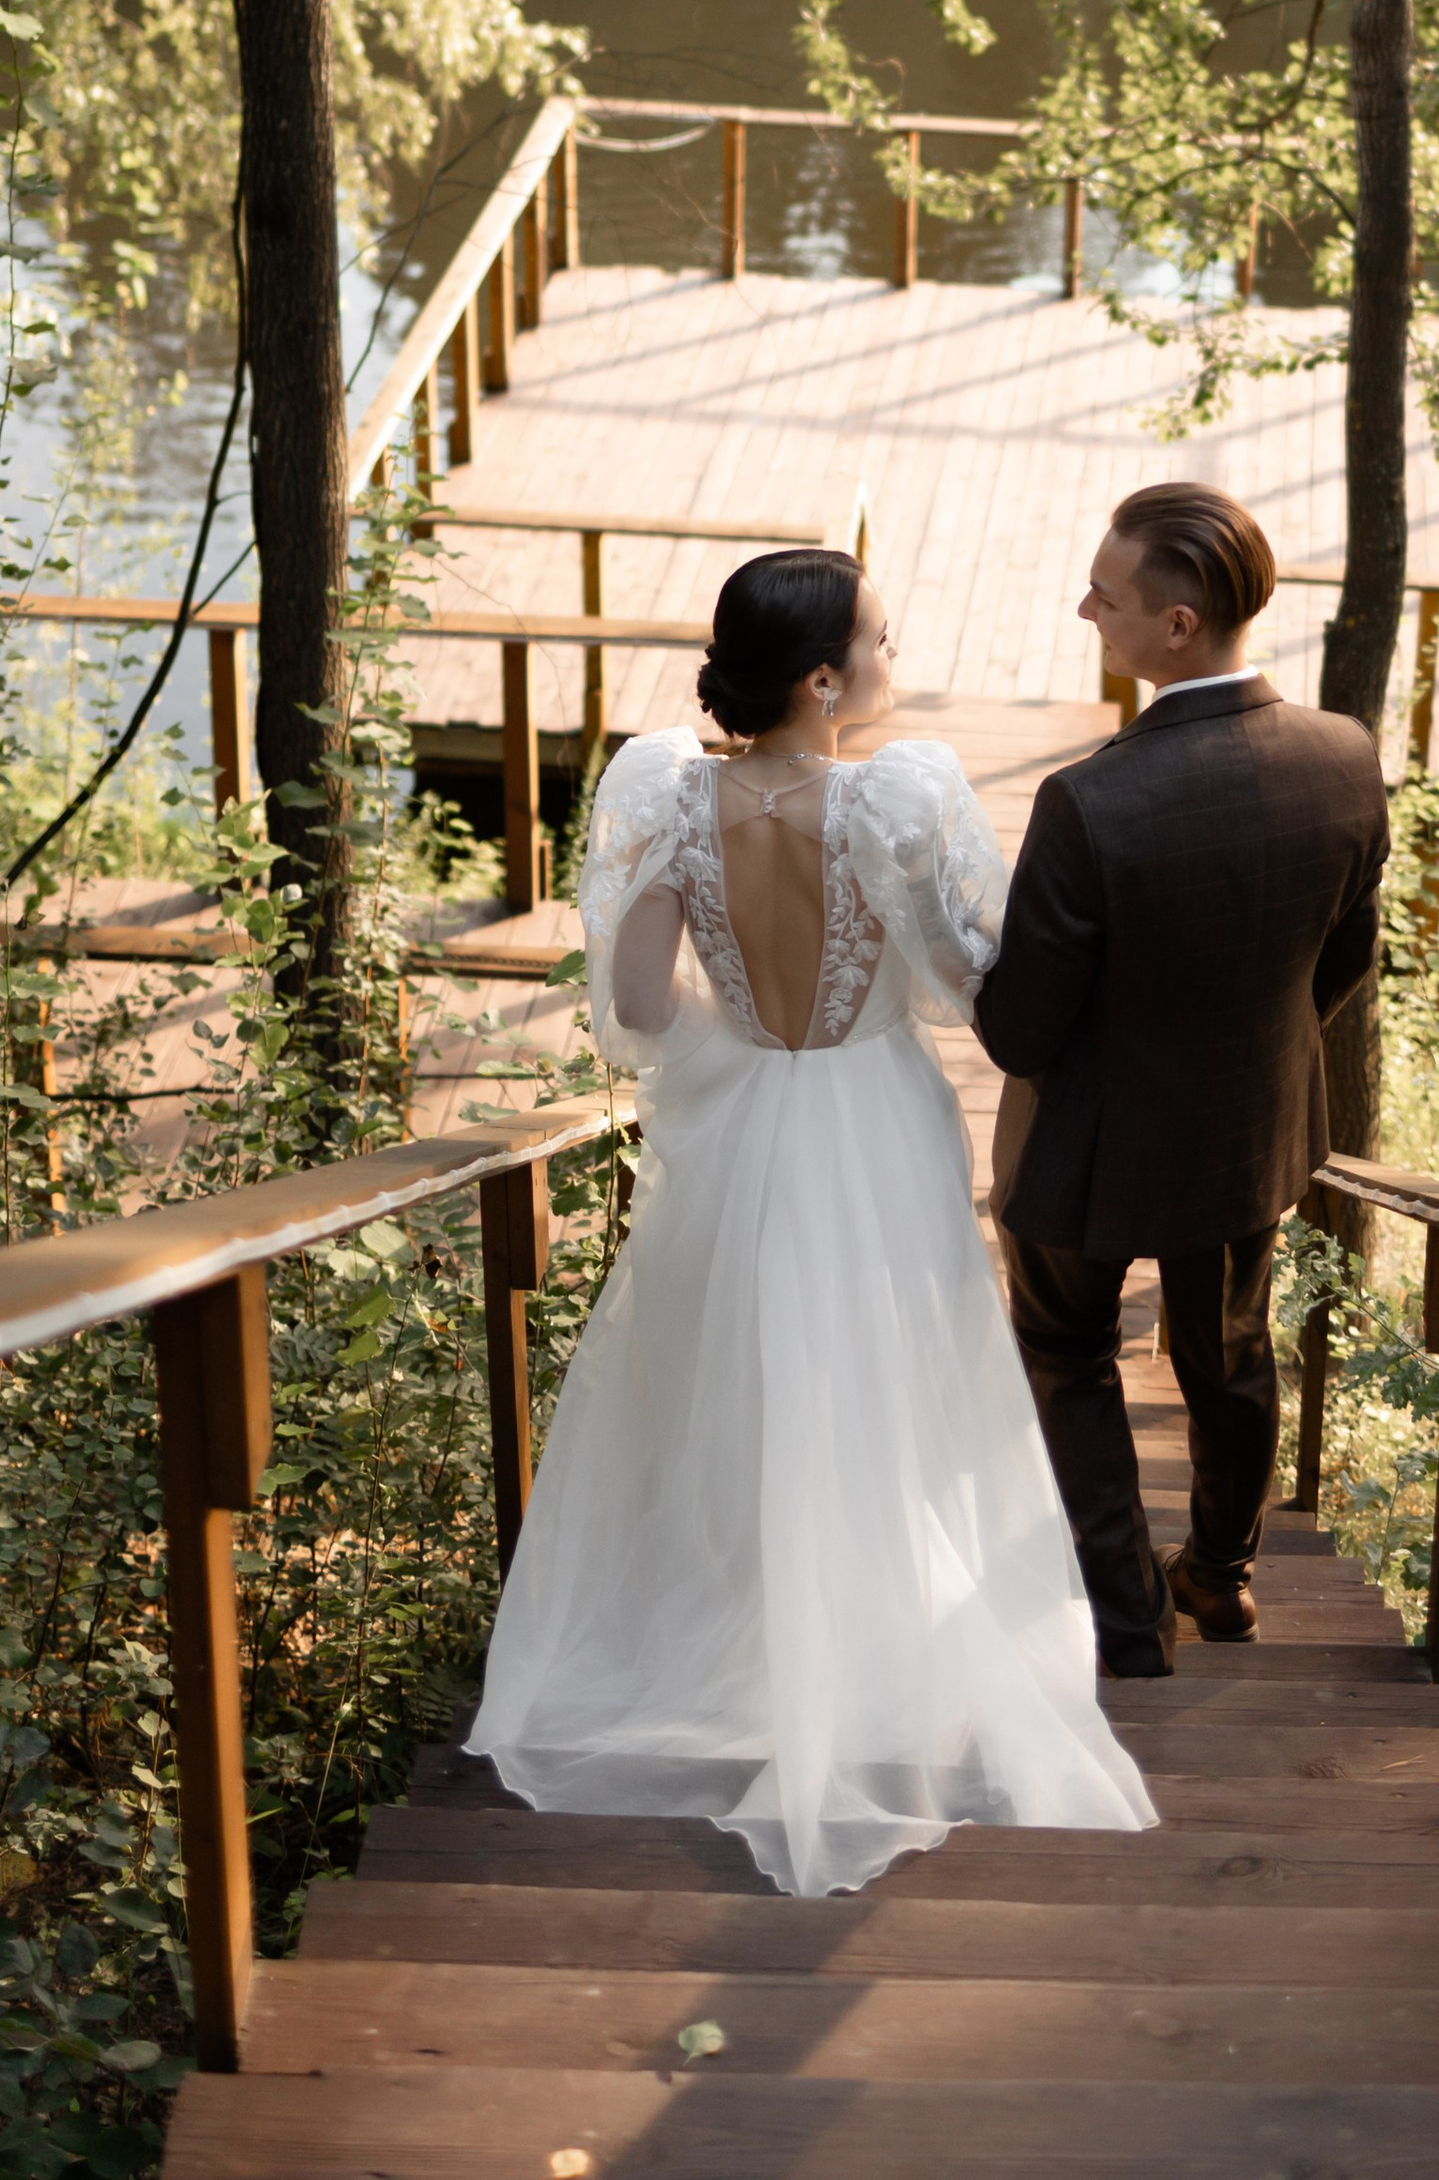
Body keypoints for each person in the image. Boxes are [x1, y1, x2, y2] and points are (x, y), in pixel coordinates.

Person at [464, 546, 1154, 1896]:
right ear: (826, 677)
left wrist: (730, 995)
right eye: (882, 641)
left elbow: (643, 1014)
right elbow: (970, 984)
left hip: (738, 1116)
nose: (897, 662)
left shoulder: (666, 794)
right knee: (891, 1371)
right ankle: (880, 1636)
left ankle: (736, 1626)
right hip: (871, 1109)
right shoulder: (898, 799)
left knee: (728, 1366)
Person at [976, 482, 1388, 1678]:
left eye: (1105, 596)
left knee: (1066, 1348)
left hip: (1090, 1146)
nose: (1083, 608)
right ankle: (1221, 1572)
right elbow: (1344, 958)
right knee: (1231, 1351)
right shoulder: (1343, 755)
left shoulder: (1088, 801)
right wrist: (1248, 1049)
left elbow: (1018, 1032)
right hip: (1246, 1130)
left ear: (1177, 623)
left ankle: (1126, 1618)